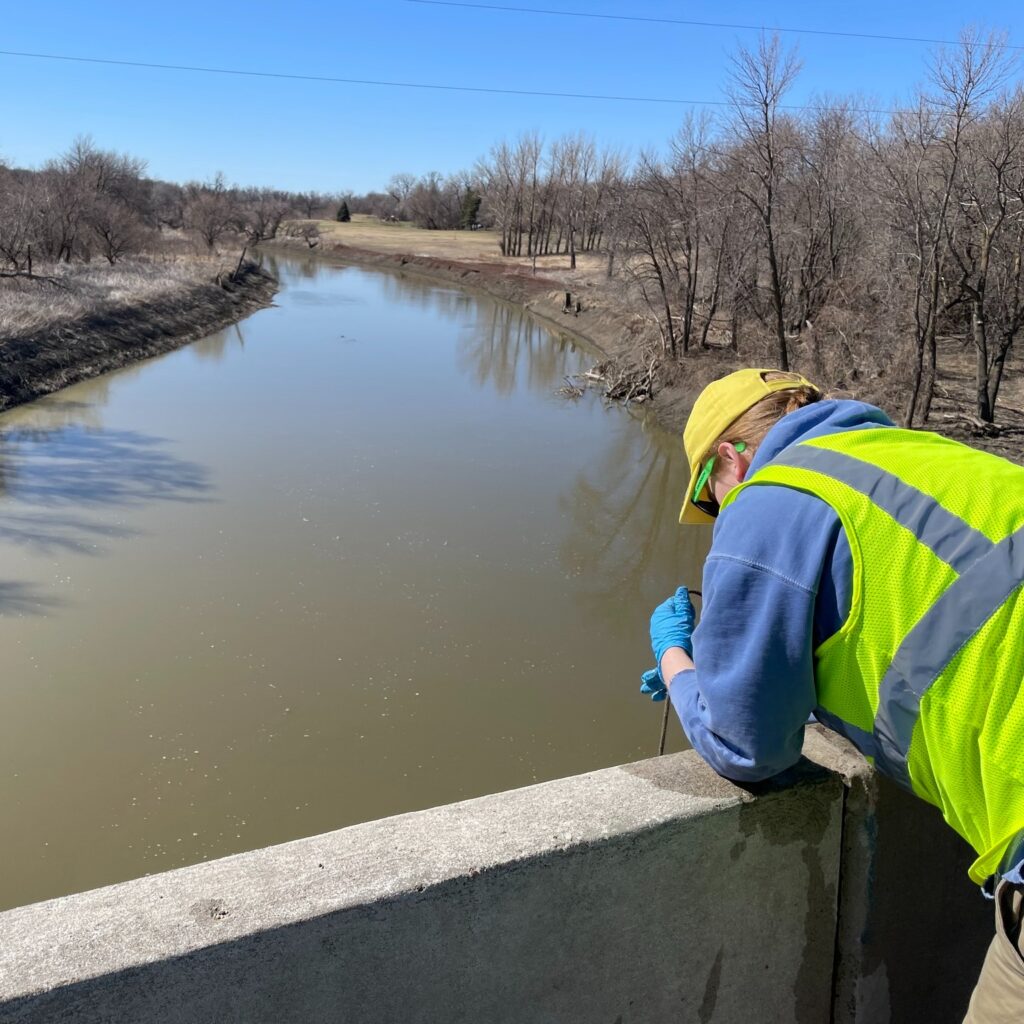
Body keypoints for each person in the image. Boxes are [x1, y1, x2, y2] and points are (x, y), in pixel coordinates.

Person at [641, 368, 1024, 1019]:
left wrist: (676, 657)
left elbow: (747, 747)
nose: (717, 519)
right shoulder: (917, 452)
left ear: (729, 459)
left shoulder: (770, 497)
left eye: (709, 501)